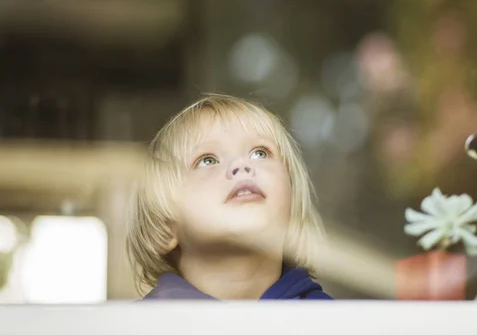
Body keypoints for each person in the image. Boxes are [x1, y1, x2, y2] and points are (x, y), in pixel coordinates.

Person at [126, 93, 332, 300]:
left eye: (260, 153)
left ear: (292, 207)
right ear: (166, 227)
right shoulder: (135, 326)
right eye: (207, 160)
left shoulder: (334, 322)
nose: (241, 166)